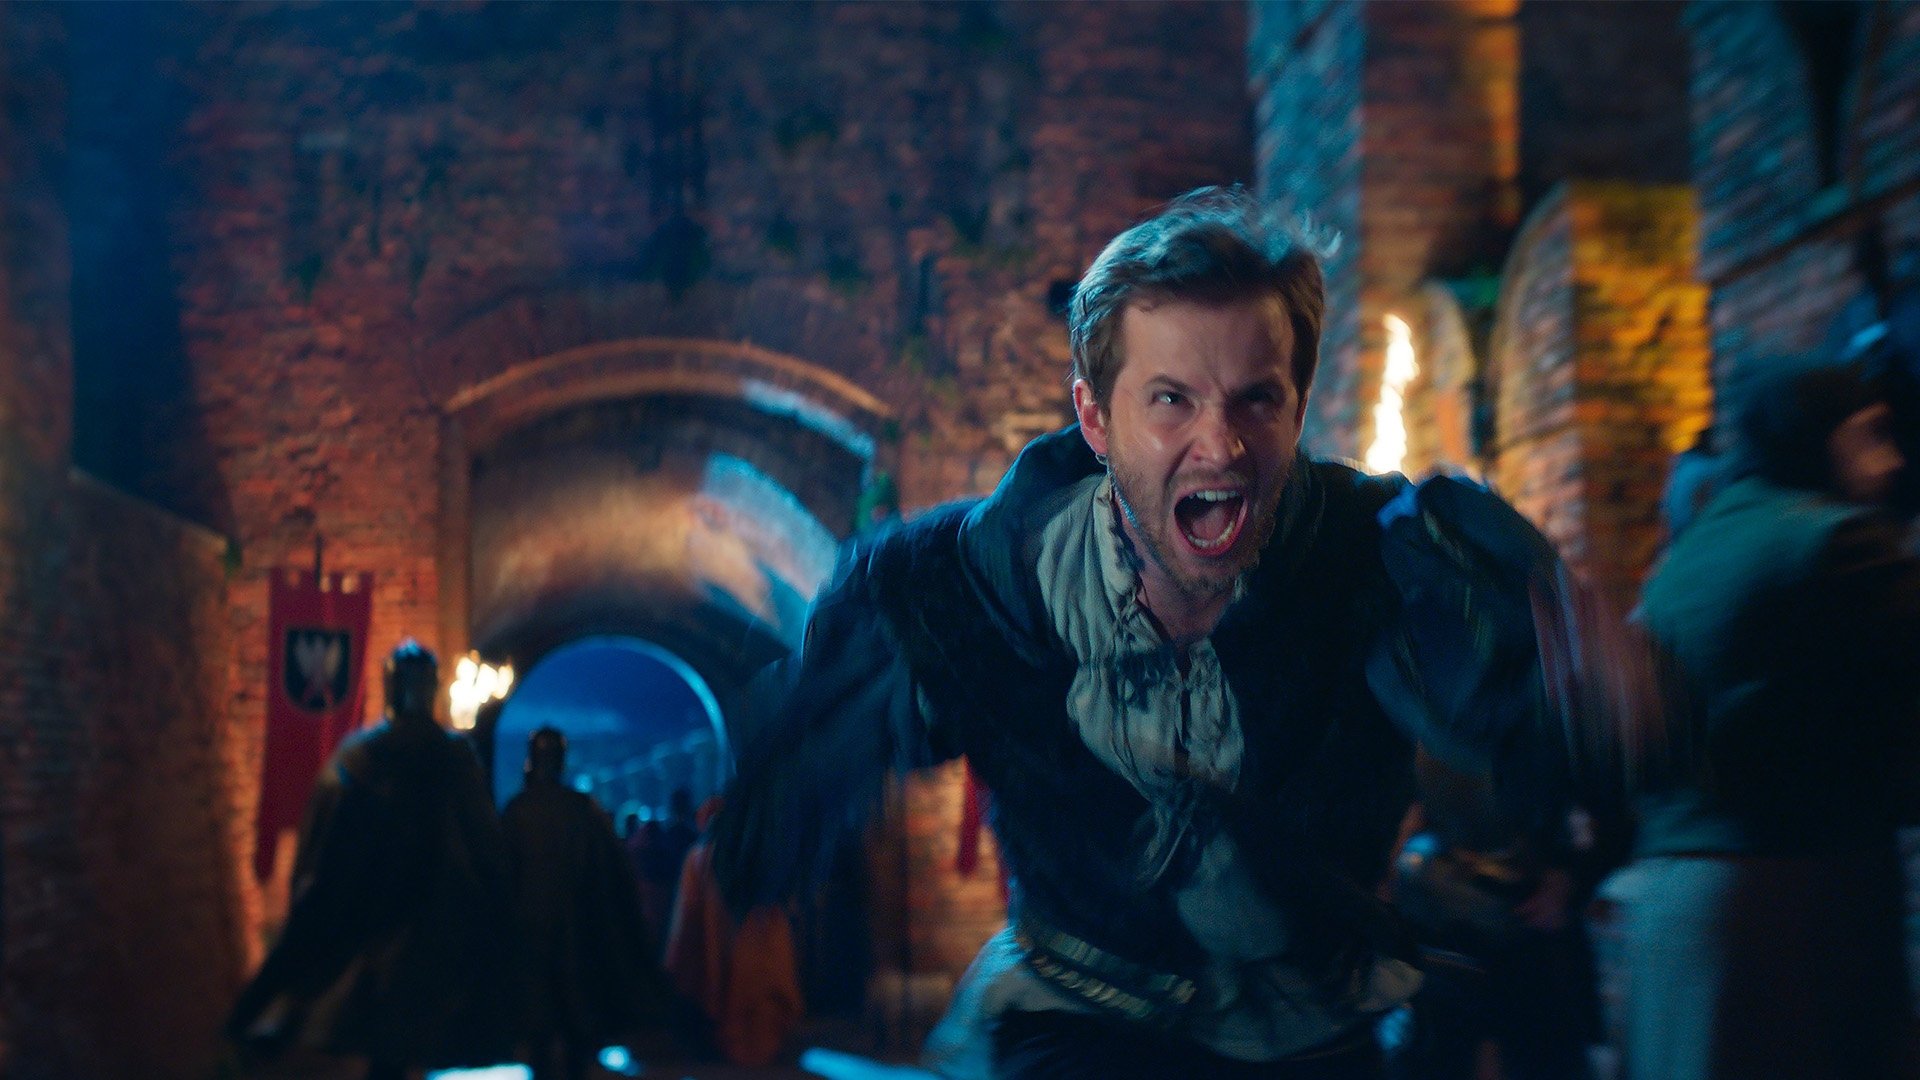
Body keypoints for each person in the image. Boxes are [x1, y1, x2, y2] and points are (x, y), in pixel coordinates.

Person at [712, 187, 1617, 1079]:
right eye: (1172, 400)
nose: (1221, 447)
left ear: (1298, 409)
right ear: (1096, 418)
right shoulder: (969, 587)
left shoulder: (1381, 562)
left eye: (1256, 401)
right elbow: (798, 772)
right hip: (1078, 1025)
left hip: (1313, 1037)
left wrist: (1596, 714)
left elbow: (1535, 736)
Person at [1622, 354, 1920, 1080]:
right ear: (1822, 438)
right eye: (1871, 435)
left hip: (1673, 915)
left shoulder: (1690, 556)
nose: (1890, 462)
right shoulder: (1835, 542)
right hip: (1788, 913)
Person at [226, 640, 517, 1079]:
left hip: (375, 924)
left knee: (377, 1042)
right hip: (421, 929)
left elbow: (325, 853)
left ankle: (265, 1018)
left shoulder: (364, 757)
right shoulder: (447, 758)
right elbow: (487, 850)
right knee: (393, 1052)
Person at [500, 727, 666, 1080]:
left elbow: (503, 877)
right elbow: (612, 875)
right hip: (577, 933)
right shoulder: (582, 810)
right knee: (576, 1028)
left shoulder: (517, 811)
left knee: (540, 1031)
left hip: (529, 935)